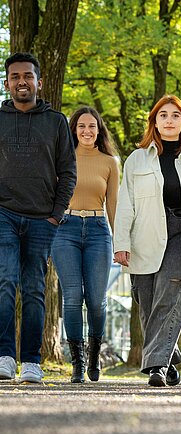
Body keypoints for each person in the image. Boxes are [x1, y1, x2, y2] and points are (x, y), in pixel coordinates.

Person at [114, 95, 181, 387]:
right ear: (155, 122)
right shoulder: (137, 159)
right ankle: (170, 357)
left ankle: (157, 367)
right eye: (163, 116)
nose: (169, 120)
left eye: (175, 115)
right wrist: (121, 242)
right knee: (147, 303)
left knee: (169, 295)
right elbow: (125, 204)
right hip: (145, 234)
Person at [0, 52, 76, 384]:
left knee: (33, 289)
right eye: (15, 77)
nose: (21, 82)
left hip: (42, 218)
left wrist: (56, 216)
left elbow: (68, 172)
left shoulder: (56, 121)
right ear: (7, 83)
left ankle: (31, 360)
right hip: (3, 213)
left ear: (39, 82)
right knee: (5, 282)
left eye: (27, 76)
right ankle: (4, 356)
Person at [51, 107, 120, 383]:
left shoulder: (110, 162)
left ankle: (94, 357)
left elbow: (113, 205)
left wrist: (120, 242)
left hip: (97, 230)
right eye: (81, 127)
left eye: (92, 126)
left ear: (99, 129)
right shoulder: (61, 159)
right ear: (74, 130)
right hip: (64, 230)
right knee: (72, 296)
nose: (87, 131)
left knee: (97, 300)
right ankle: (77, 364)